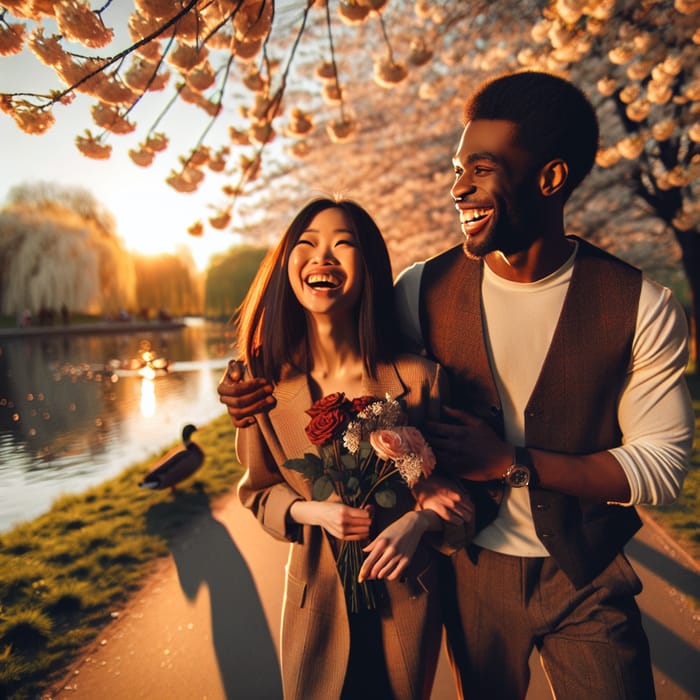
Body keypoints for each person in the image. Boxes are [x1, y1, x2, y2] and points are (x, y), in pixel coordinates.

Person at [219, 72, 695, 699]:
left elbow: (661, 467)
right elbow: (346, 347)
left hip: (586, 571)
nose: (459, 186)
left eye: (481, 167)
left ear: (549, 179)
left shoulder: (641, 304)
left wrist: (513, 462)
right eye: (455, 167)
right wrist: (248, 380)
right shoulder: (422, 289)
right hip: (469, 571)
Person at [228, 196, 471, 700]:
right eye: (307, 244)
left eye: (343, 245)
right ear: (286, 266)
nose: (324, 258)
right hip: (313, 606)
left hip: (407, 601)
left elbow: (466, 499)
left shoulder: (421, 381)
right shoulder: (260, 386)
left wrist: (421, 522)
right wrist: (312, 511)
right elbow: (257, 492)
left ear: (369, 268)